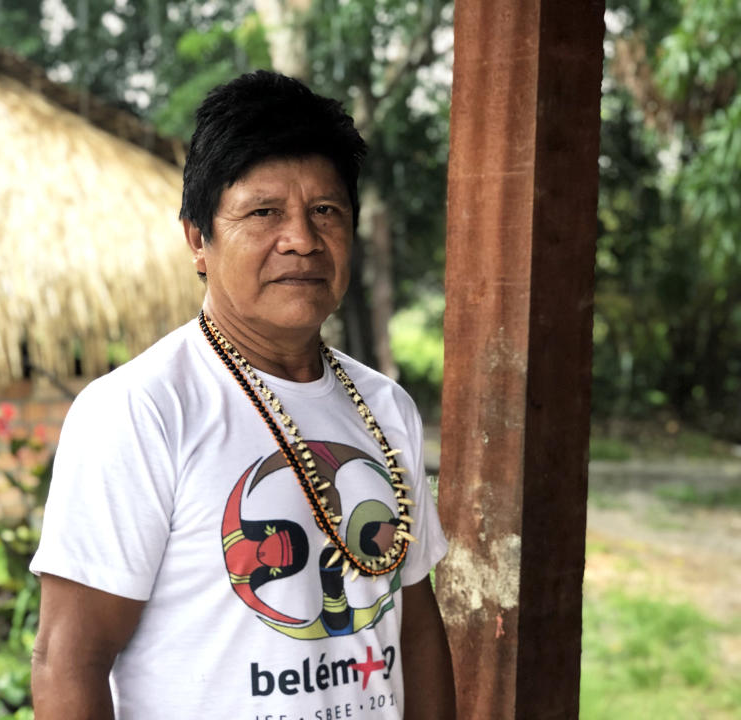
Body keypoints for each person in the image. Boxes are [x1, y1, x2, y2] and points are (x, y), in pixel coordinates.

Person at [30, 70, 456, 720]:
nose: (302, 239)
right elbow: (68, 661)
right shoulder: (142, 410)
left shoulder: (385, 406)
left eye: (326, 211)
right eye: (264, 213)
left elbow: (416, 626)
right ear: (198, 238)